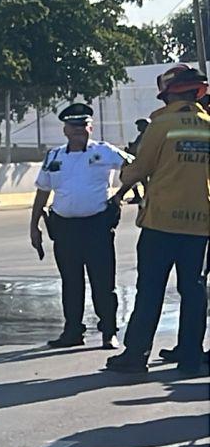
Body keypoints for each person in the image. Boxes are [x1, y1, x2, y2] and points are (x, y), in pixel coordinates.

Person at [104, 64, 209, 375]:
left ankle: (136, 355)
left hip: (161, 223)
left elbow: (139, 169)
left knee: (150, 290)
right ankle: (190, 359)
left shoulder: (160, 126)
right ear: (197, 92)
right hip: (201, 224)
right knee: (194, 291)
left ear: (167, 96)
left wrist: (124, 175)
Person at [28, 104, 128, 349]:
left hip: (96, 226)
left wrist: (120, 194)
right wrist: (34, 226)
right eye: (74, 126)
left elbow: (134, 168)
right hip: (64, 229)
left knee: (103, 282)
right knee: (71, 282)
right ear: (65, 130)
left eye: (83, 126)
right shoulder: (54, 157)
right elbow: (43, 191)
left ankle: (108, 332)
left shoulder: (104, 152)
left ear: (90, 127)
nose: (79, 131)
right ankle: (73, 331)